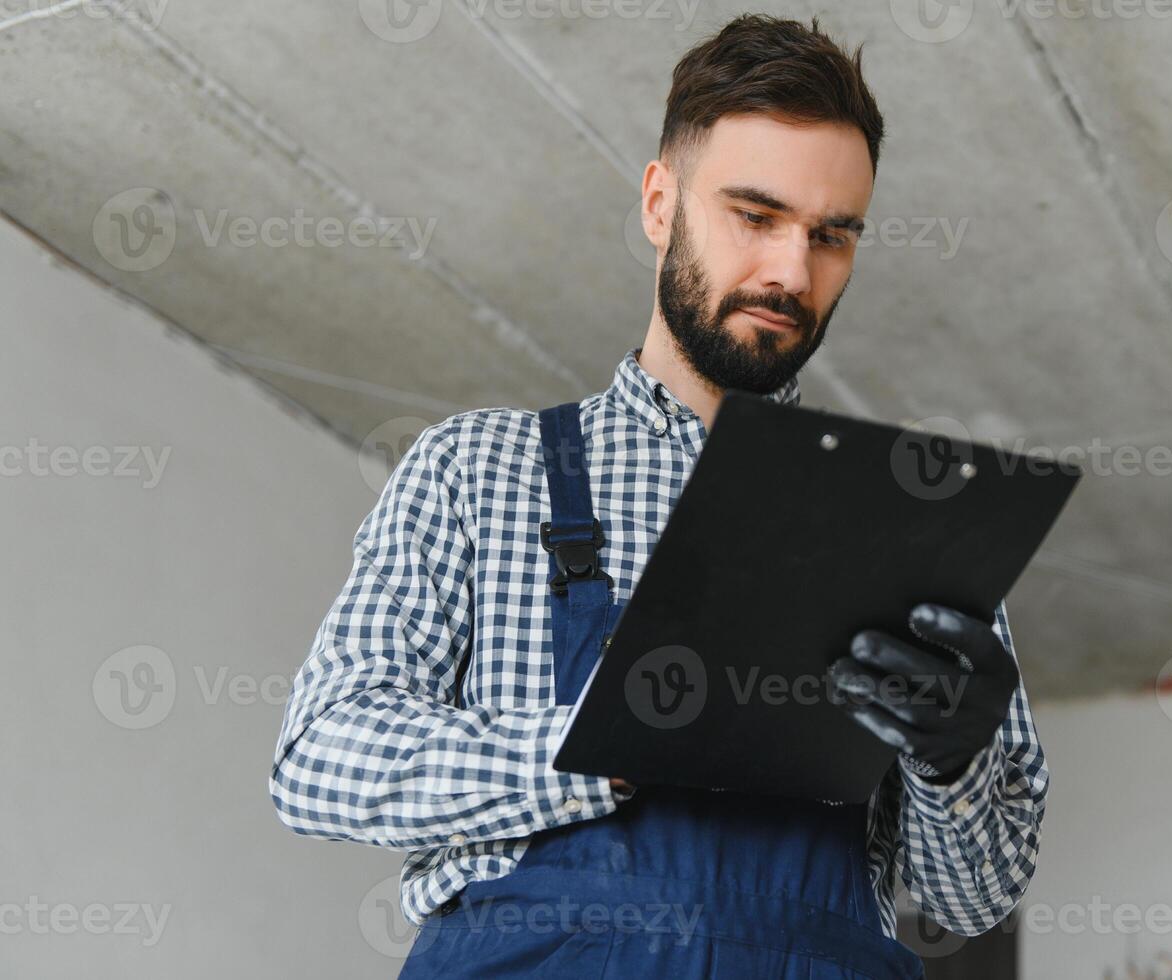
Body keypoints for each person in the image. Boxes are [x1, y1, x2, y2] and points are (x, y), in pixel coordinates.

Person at [269, 14, 1048, 978]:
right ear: (658, 202)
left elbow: (975, 896)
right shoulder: (479, 468)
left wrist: (952, 763)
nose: (791, 274)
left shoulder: (911, 524)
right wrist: (589, 751)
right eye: (755, 217)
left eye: (831, 236)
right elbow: (317, 759)